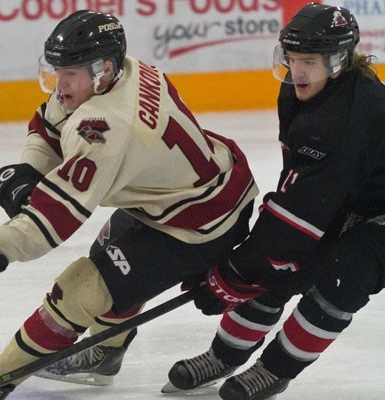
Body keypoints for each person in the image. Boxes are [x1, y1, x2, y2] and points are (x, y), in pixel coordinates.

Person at [0, 9, 259, 400]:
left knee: (80, 289)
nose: (60, 86)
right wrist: (30, 174)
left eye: (70, 74)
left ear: (103, 68)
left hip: (199, 226)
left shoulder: (105, 126)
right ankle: (106, 353)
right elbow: (49, 124)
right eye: (57, 72)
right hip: (195, 192)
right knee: (110, 258)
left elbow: (51, 223)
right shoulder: (128, 70)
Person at [160, 3, 385, 400]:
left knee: (342, 275)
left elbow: (302, 215)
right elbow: (299, 188)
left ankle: (274, 370)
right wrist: (260, 259)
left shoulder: (348, 113)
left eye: (309, 61)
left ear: (337, 60)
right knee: (278, 265)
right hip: (347, 198)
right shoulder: (297, 92)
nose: (297, 72)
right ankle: (223, 356)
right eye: (292, 59)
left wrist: (236, 268)